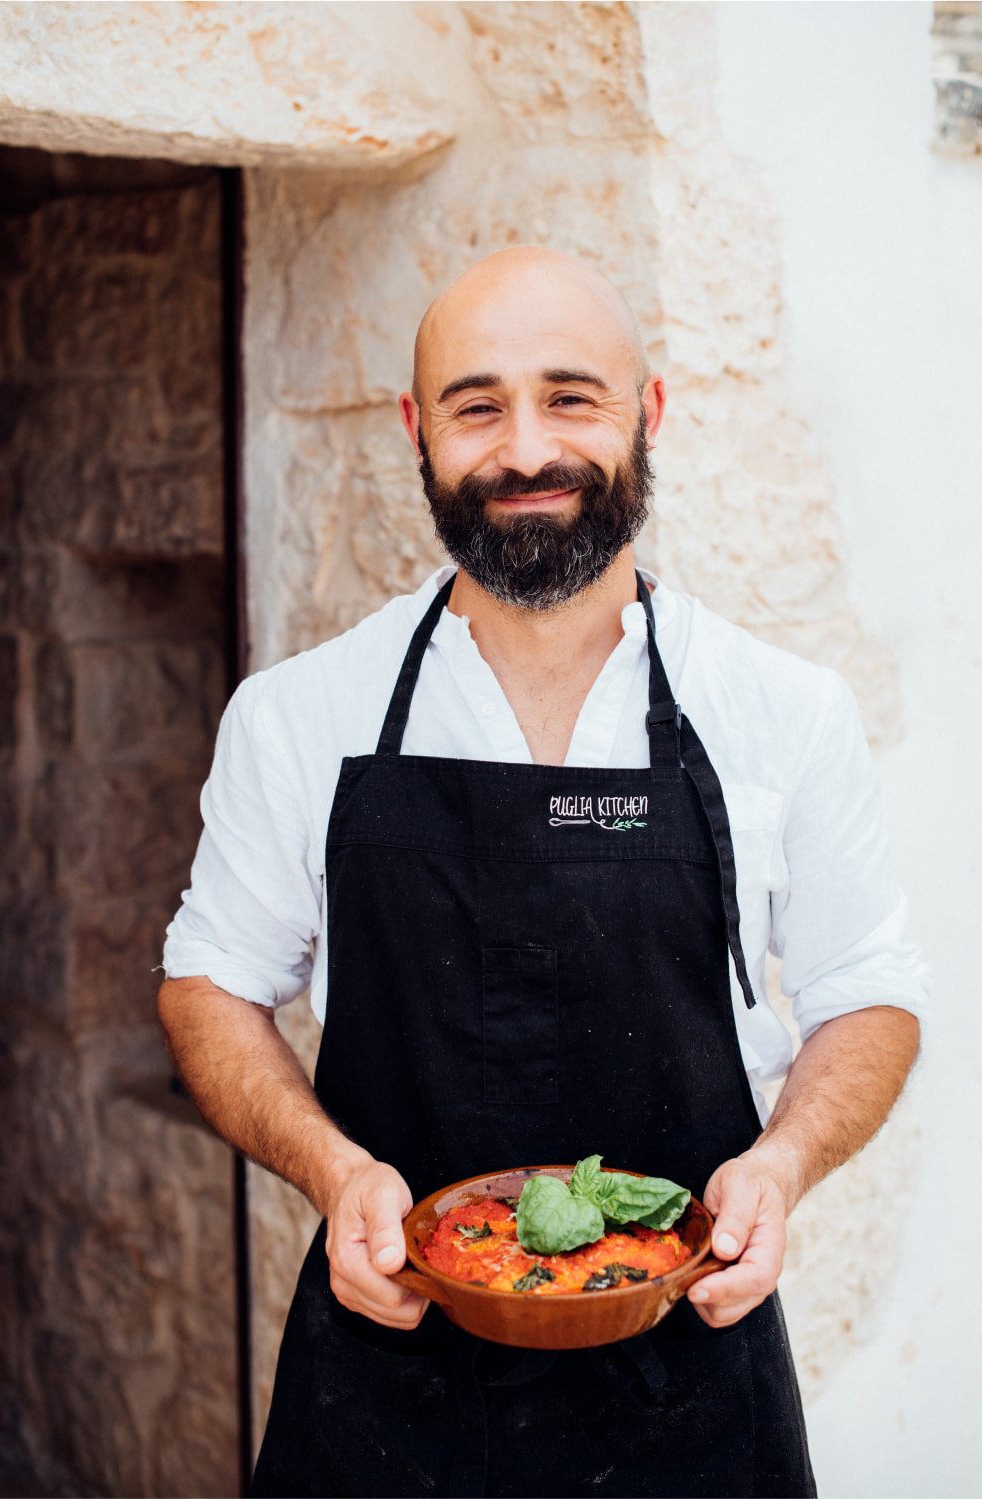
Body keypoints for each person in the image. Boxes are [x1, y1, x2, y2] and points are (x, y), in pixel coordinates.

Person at [159, 247, 928, 1498]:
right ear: (417, 431)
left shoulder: (782, 710)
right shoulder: (298, 715)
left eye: (571, 395)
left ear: (649, 411)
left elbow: (868, 988)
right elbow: (209, 981)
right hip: (387, 1379)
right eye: (476, 404)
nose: (525, 449)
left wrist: (780, 1166)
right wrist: (332, 1168)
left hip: (694, 1385)